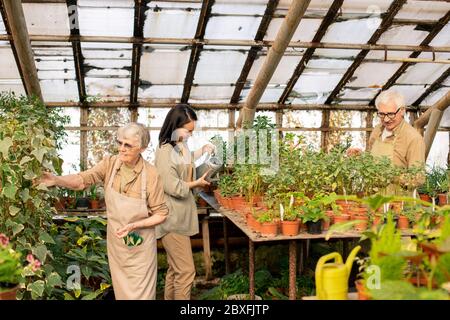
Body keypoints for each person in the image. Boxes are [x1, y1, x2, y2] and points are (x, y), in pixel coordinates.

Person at [38, 123, 168, 300]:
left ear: (142, 148)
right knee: (122, 294)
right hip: (117, 245)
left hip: (141, 248)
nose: (121, 149)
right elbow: (82, 180)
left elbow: (161, 213)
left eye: (127, 145)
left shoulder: (152, 174)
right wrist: (56, 179)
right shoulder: (110, 164)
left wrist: (135, 225)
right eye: (119, 143)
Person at [155, 104, 214, 300]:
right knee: (186, 271)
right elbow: (172, 186)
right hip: (172, 220)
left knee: (175, 270)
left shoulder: (180, 145)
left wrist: (202, 151)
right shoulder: (164, 151)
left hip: (179, 218)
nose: (189, 135)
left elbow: (185, 162)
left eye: (192, 131)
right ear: (174, 126)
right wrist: (196, 182)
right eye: (187, 131)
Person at [347, 90, 425, 169]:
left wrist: (390, 177)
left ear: (402, 111)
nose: (386, 119)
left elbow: (418, 178)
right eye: (382, 114)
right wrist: (361, 157)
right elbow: (372, 162)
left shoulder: (414, 139)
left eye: (391, 114)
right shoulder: (377, 130)